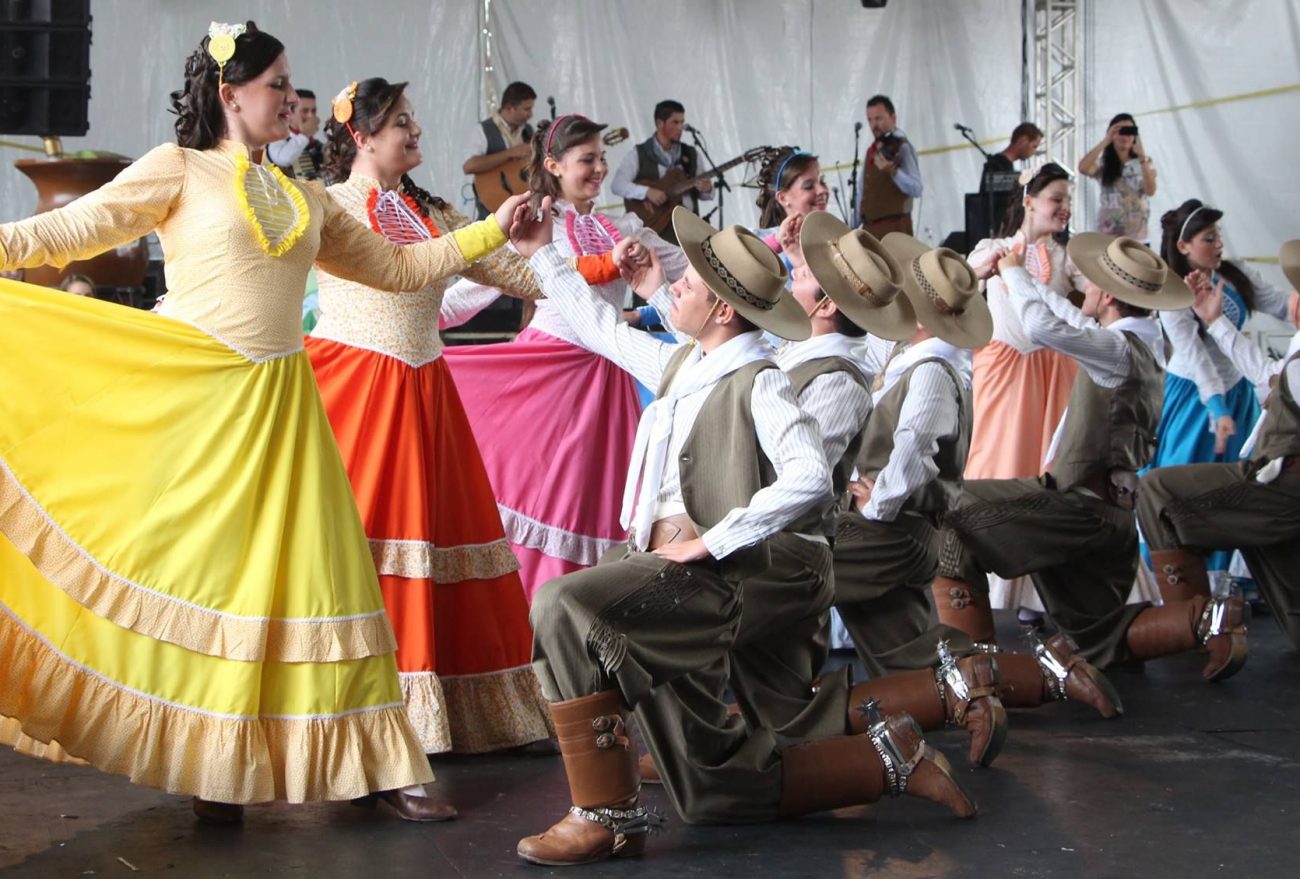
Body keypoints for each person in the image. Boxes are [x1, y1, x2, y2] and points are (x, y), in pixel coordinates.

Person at [0, 21, 527, 825]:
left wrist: (493, 229)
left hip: (287, 402)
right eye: (277, 84)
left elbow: (398, 268)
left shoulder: (306, 193)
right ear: (229, 93)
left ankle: (374, 765)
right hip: (206, 403)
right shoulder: (177, 168)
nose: (291, 97)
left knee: (330, 578)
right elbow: (68, 231)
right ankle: (215, 769)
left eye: (289, 85)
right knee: (216, 587)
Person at [508, 204, 976, 866]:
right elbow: (599, 329)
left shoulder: (760, 380)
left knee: (563, 605)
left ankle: (604, 814)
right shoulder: (683, 366)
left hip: (722, 572)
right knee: (707, 785)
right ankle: (882, 760)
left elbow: (812, 475)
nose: (676, 284)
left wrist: (713, 540)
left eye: (689, 282)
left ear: (724, 310)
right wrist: (540, 250)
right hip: (676, 563)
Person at [305, 77, 552, 756]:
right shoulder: (330, 204)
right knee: (372, 551)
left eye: (414, 121)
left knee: (439, 545)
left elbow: (517, 275)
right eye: (400, 125)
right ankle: (370, 727)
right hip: (360, 386)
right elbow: (407, 271)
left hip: (422, 385)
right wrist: (490, 230)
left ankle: (465, 718)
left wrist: (591, 264)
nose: (415, 133)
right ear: (360, 135)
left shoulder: (429, 209)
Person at [938, 235, 1249, 690]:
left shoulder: (1118, 350)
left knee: (947, 511)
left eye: (1092, 284)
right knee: (1096, 635)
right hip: (1109, 516)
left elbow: (1046, 328)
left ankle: (976, 682)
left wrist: (1014, 273)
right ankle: (1205, 617)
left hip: (1078, 510)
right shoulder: (1144, 343)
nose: (1084, 290)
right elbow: (1063, 317)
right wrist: (1015, 277)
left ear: (1106, 295)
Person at [442, 113, 689, 604]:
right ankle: (525, 618)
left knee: (592, 506)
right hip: (546, 377)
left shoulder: (619, 225)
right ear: (553, 165)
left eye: (602, 158)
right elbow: (471, 294)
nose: (599, 168)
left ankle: (579, 623)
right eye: (587, 160)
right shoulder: (535, 225)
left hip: (606, 384)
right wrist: (407, 317)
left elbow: (689, 263)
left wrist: (766, 250)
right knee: (540, 499)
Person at [1140, 240, 1300, 649]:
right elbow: (1268, 378)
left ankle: (1192, 624)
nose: (1291, 300)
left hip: (1280, 488)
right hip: (1267, 466)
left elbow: (1271, 384)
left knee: (1157, 488)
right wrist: (1215, 320)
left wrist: (1219, 405)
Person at [951, 162, 1088, 635]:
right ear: (1028, 199)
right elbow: (957, 284)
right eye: (1056, 199)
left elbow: (1090, 302)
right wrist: (984, 271)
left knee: (1045, 469)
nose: (1064, 208)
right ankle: (970, 579)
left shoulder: (1066, 256)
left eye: (1067, 200)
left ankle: (1036, 592)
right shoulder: (993, 248)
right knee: (998, 464)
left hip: (1053, 369)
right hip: (1006, 368)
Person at [610, 99, 713, 245]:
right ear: (660, 123)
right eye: (675, 122)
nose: (680, 128)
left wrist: (707, 189)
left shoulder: (691, 154)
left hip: (689, 231)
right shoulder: (639, 153)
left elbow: (705, 194)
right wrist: (647, 192)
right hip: (656, 233)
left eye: (682, 122)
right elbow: (617, 185)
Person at [463, 80, 536, 218]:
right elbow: (469, 166)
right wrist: (510, 153)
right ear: (509, 108)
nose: (530, 115)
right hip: (492, 207)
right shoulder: (483, 130)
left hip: (523, 209)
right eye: (526, 109)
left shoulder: (528, 131)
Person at [1078, 113, 1156, 241]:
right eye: (1120, 131)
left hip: (1137, 236)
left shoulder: (1144, 163)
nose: (1125, 136)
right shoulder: (1103, 163)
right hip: (1108, 234)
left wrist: (1142, 157)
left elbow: (1150, 190)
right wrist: (1106, 140)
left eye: (1130, 131)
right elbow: (1083, 168)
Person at [858, 95, 921, 237]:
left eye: (878, 118)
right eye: (870, 120)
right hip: (871, 231)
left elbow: (916, 189)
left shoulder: (902, 147)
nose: (874, 125)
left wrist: (894, 173)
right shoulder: (871, 151)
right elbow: (862, 192)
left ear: (893, 118)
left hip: (896, 231)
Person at [267, 88, 323, 180]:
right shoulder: (277, 138)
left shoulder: (315, 144)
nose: (311, 116)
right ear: (290, 113)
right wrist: (305, 135)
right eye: (305, 111)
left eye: (313, 111)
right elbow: (283, 159)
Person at [980, 122, 1042, 191]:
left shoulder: (1004, 165)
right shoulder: (997, 164)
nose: (1034, 152)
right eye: (1034, 146)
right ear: (1023, 141)